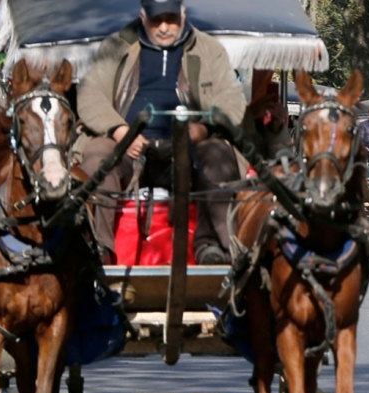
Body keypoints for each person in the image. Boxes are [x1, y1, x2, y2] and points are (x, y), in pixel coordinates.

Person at [77, 0, 248, 265]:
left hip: (189, 150)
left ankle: (213, 248)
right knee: (97, 154)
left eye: (172, 19)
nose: (165, 27)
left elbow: (232, 100)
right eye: (157, 20)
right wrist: (120, 131)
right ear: (142, 16)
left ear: (183, 14)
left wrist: (203, 128)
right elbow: (90, 94)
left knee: (218, 155)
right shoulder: (116, 46)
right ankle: (98, 248)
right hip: (130, 149)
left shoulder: (209, 49)